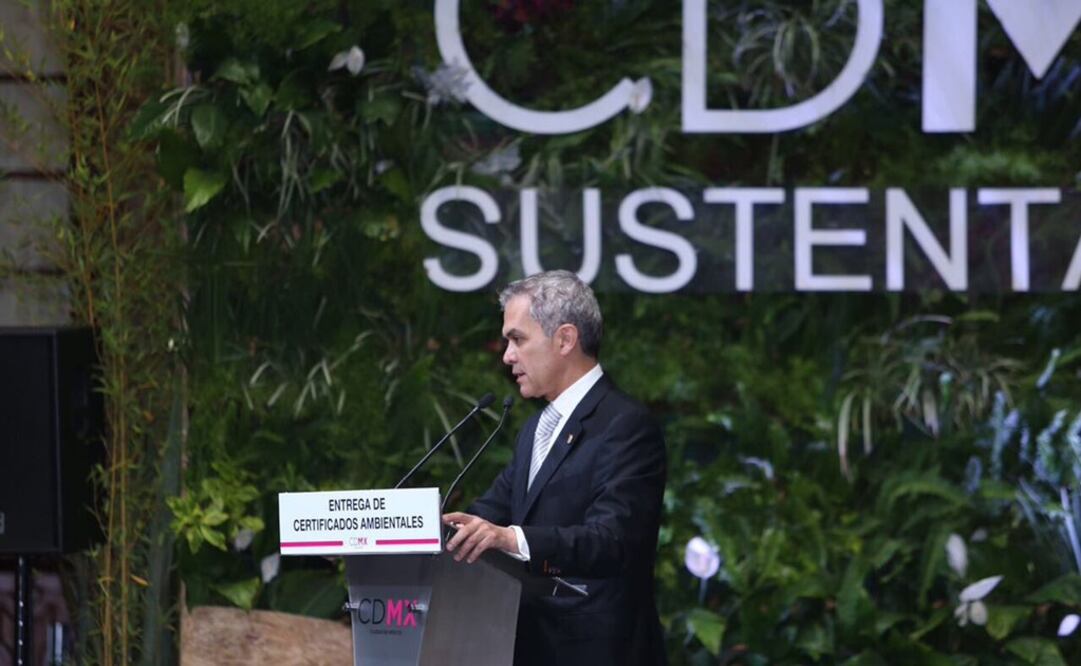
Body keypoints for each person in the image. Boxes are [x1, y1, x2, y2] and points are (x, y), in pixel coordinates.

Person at [442, 270, 667, 665]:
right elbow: (490, 514)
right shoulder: (536, 428)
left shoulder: (626, 424)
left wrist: (511, 540)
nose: (507, 355)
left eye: (517, 339)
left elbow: (612, 542)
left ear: (565, 339)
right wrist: (413, 534)